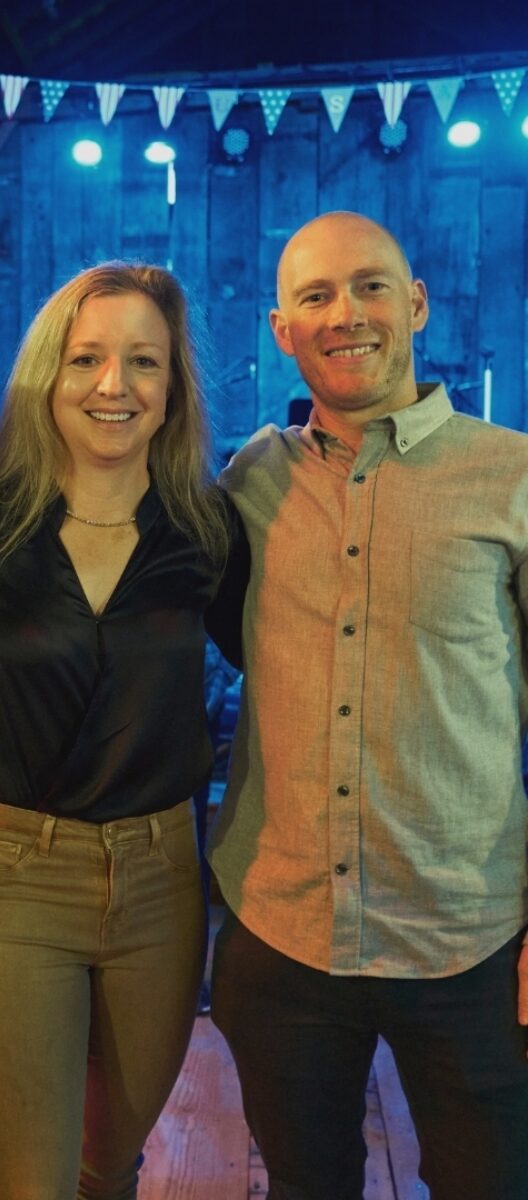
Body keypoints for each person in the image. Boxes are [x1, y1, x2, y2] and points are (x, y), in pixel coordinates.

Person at [210, 210, 528, 1200]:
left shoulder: (512, 476)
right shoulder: (249, 481)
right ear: (283, 330)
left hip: (467, 940)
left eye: (371, 286)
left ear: (416, 304)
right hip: (283, 933)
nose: (345, 313)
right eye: (316, 296)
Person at [0, 262, 235, 1199]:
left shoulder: (208, 529)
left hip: (161, 883)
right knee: (30, 1185)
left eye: (144, 361)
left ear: (173, 388)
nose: (113, 384)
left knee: (112, 1167)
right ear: (46, 376)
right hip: (20, 879)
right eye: (85, 358)